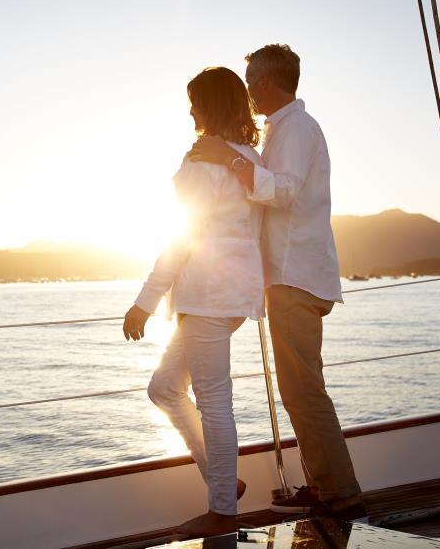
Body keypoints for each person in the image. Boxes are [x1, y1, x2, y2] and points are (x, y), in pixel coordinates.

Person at [188, 44, 366, 521]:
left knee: (303, 389)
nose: (247, 90)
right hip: (292, 276)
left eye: (250, 81)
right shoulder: (283, 130)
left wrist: (228, 159)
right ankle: (324, 485)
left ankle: (343, 495)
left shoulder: (297, 129)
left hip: (294, 276)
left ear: (265, 82)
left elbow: (283, 191)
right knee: (298, 388)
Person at [122, 66, 265, 538]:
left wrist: (145, 301)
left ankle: (223, 510)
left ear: (212, 106)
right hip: (230, 294)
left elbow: (184, 236)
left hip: (207, 293)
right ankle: (225, 484)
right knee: (164, 388)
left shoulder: (205, 163)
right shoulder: (245, 158)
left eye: (196, 102)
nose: (190, 111)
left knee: (214, 401)